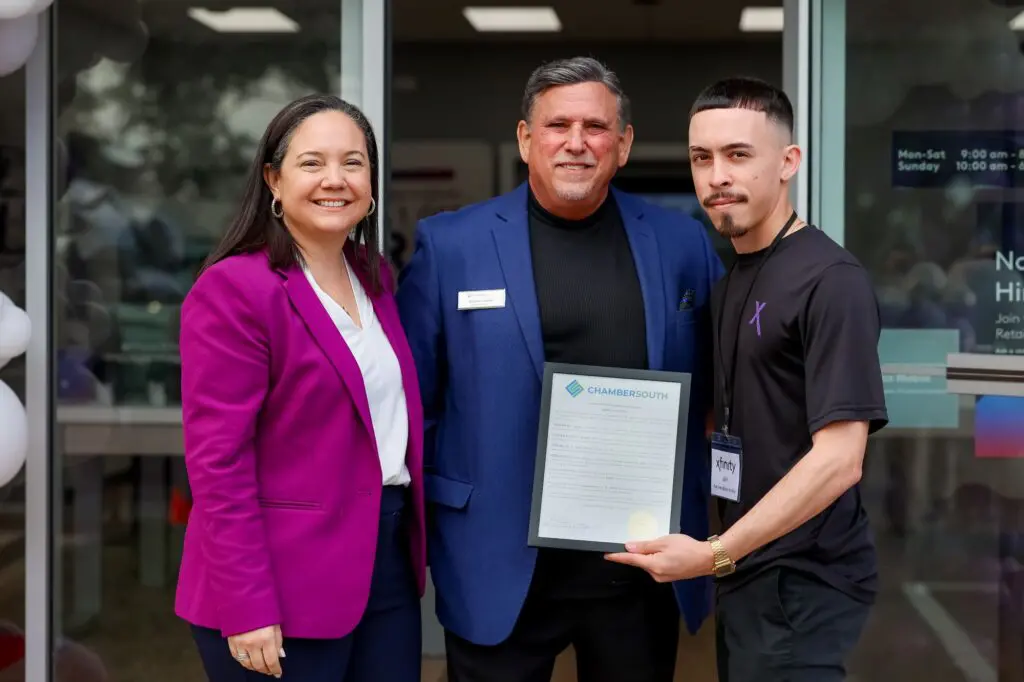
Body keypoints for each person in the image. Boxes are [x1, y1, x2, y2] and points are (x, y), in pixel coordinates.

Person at [396, 57, 723, 682]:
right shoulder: (452, 246)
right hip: (498, 564)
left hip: (638, 569)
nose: (577, 142)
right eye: (558, 125)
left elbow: (713, 386)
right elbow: (417, 403)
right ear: (526, 139)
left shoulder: (681, 245)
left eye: (596, 127)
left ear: (623, 144)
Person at [606, 77, 888, 681]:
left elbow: (840, 459)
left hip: (805, 580)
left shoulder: (829, 280)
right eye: (701, 158)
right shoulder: (732, 280)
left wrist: (712, 555)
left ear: (789, 162)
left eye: (738, 155)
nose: (715, 177)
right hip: (749, 570)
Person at [174, 94, 426, 682]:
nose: (335, 180)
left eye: (354, 163)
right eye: (312, 163)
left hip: (383, 571)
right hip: (277, 585)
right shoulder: (235, 289)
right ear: (273, 180)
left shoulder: (375, 278)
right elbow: (218, 463)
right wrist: (247, 604)